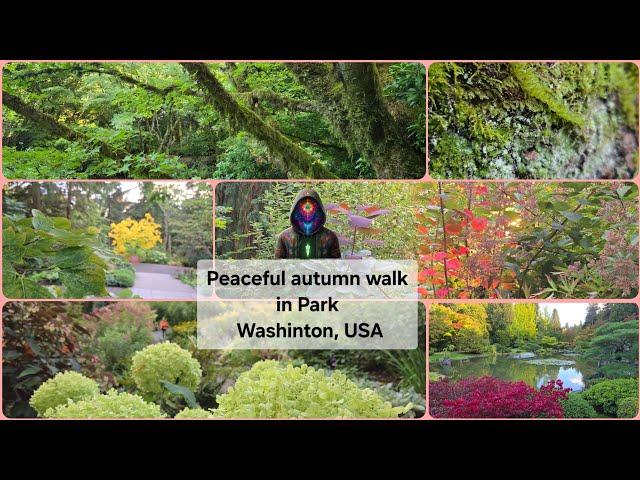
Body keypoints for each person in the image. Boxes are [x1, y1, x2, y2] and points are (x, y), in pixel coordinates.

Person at [275, 188, 341, 259]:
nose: (307, 212)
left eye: (312, 207)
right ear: (296, 210)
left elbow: (336, 266)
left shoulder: (330, 237)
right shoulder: (284, 237)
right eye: (303, 207)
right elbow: (278, 266)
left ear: (318, 210)